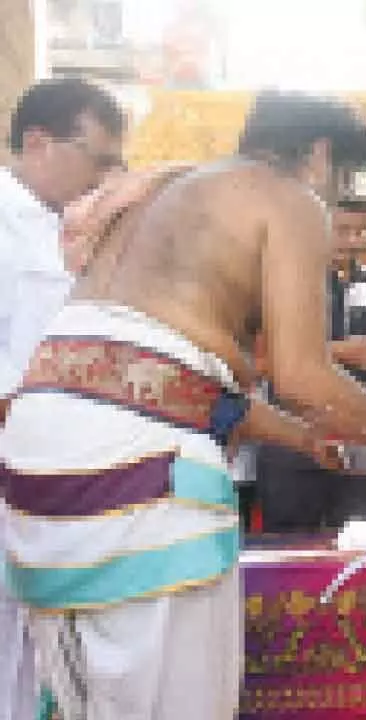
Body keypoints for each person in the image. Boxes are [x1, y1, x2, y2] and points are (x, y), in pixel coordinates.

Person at [0, 90, 366, 719]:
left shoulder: (161, 192)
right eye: (343, 182)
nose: (336, 202)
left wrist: (305, 439)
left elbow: (164, 376)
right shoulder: (288, 197)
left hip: (36, 464)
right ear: (319, 156)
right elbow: (303, 377)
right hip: (133, 473)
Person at [0, 77, 125, 720]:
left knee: (32, 661)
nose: (105, 179)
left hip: (49, 481)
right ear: (39, 143)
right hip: (14, 465)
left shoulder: (66, 230)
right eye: (98, 160)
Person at [255, 195, 366, 532]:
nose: (352, 241)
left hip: (359, 442)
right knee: (289, 547)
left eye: (362, 231)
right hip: (293, 438)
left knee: (362, 542)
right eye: (342, 230)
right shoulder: (281, 283)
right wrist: (342, 351)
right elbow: (259, 362)